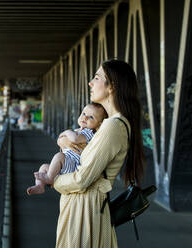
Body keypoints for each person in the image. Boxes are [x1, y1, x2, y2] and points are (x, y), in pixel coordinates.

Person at [52, 60, 145, 247]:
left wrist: (53, 180)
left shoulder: (112, 126)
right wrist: (63, 141)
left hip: (84, 211)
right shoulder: (110, 124)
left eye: (96, 77)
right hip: (86, 207)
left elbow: (82, 179)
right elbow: (72, 147)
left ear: (112, 86)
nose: (90, 83)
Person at [26, 103, 107, 195]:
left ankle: (49, 178)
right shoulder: (78, 131)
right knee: (44, 167)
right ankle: (40, 186)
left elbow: (74, 139)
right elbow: (62, 140)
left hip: (73, 164)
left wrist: (66, 132)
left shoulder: (89, 133)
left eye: (91, 117)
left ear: (99, 124)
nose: (85, 118)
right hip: (66, 163)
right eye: (84, 114)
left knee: (59, 156)